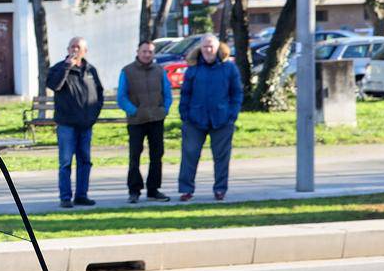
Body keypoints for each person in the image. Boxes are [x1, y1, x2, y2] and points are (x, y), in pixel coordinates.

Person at [177, 33, 244, 201]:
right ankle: (186, 189)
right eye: (205, 46)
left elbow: (236, 93)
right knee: (189, 154)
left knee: (221, 157)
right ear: (200, 48)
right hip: (194, 120)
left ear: (217, 47)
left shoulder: (229, 68)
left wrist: (232, 115)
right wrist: (184, 115)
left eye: (211, 46)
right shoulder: (193, 68)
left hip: (222, 120)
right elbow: (185, 93)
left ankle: (220, 189)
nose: (208, 49)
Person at [45, 36, 103, 208]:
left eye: (78, 47)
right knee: (66, 162)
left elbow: (99, 94)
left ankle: (81, 195)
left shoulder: (91, 70)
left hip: (86, 124)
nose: (75, 50)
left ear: (85, 51)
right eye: (72, 46)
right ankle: (65, 197)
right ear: (68, 49)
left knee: (85, 161)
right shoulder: (59, 68)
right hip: (66, 124)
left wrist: (94, 115)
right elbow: (54, 86)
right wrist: (66, 67)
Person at [116, 39, 172, 203]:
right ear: (138, 52)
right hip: (136, 121)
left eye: (150, 52)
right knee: (135, 156)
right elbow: (122, 97)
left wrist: (164, 109)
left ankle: (153, 189)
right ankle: (134, 190)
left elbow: (167, 93)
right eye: (144, 51)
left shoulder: (160, 71)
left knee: (157, 155)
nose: (147, 54)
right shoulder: (127, 71)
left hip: (156, 119)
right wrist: (135, 111)